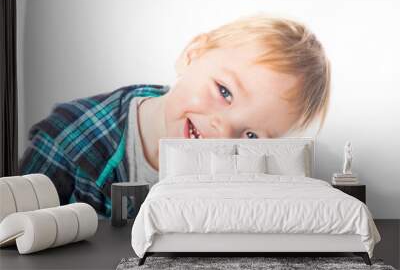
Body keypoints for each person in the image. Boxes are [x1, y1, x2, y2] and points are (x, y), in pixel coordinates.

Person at [19, 13, 331, 218]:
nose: (222, 135)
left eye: (251, 136)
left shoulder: (245, 177)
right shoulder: (72, 139)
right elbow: (13, 230)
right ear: (192, 54)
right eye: (224, 92)